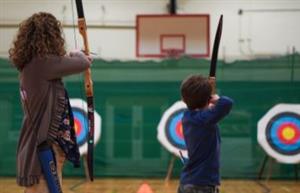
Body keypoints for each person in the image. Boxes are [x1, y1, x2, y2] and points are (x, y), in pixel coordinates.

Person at [9, 12, 92, 193]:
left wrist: (75, 56)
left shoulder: (34, 65)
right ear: (50, 37)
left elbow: (72, 63)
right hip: (42, 150)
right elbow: (83, 63)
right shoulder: (42, 63)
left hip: (40, 147)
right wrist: (77, 54)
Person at [178, 75, 233, 193]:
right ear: (208, 99)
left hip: (188, 182)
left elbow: (205, 112)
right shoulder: (204, 119)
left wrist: (208, 98)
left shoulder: (188, 116)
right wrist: (215, 98)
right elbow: (227, 103)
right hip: (201, 185)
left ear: (183, 99)